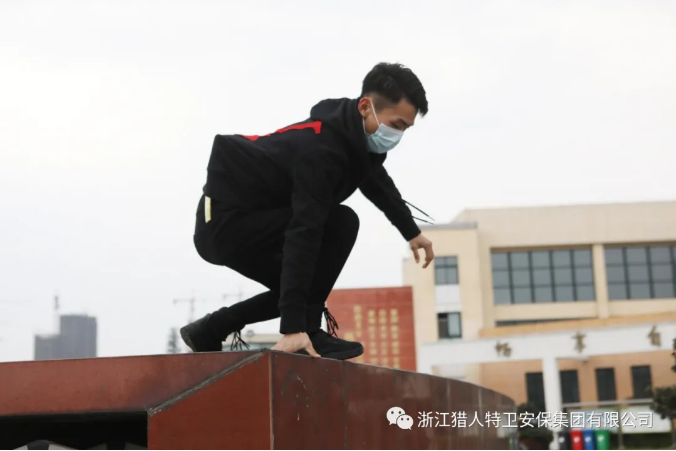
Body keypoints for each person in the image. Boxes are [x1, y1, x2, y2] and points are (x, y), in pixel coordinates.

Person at [181, 62, 435, 360]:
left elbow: (376, 181)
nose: (398, 135)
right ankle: (306, 332)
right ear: (366, 107)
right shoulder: (320, 153)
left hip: (253, 218)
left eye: (405, 128)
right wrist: (293, 328)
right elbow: (304, 233)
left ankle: (210, 330)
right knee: (339, 225)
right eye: (397, 124)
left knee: (303, 286)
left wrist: (411, 232)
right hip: (224, 222)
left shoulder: (352, 139)